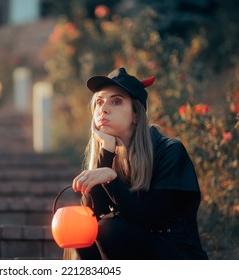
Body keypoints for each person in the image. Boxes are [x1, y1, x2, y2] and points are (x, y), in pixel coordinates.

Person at [71, 67, 208, 259]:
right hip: (137, 251)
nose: (103, 109)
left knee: (108, 230)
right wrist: (106, 152)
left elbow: (145, 219)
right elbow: (94, 214)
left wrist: (111, 179)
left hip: (175, 253)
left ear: (136, 114)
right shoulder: (111, 154)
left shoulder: (170, 151)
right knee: (80, 231)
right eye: (99, 102)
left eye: (116, 101)